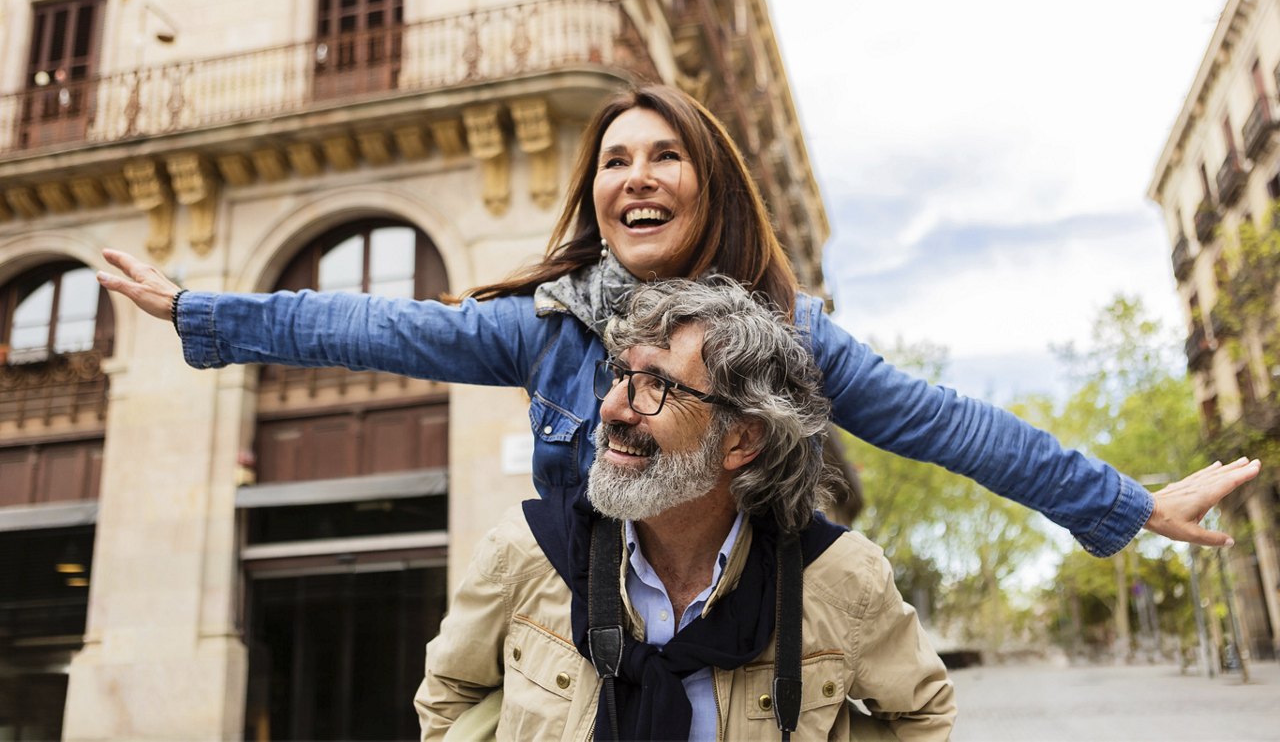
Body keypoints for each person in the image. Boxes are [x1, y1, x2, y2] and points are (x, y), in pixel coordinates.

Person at [97, 84, 1260, 556]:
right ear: (596, 195)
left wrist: (1127, 502)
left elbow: (946, 424)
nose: (635, 173)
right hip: (594, 658)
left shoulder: (784, 344)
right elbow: (369, 327)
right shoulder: (545, 330)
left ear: (706, 185)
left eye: (664, 154)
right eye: (614, 159)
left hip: (744, 663)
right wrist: (207, 308)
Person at [414, 278, 955, 741]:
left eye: (659, 387)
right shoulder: (526, 550)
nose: (612, 408)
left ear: (741, 439)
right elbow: (446, 702)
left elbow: (925, 717)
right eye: (621, 375)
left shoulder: (841, 580)